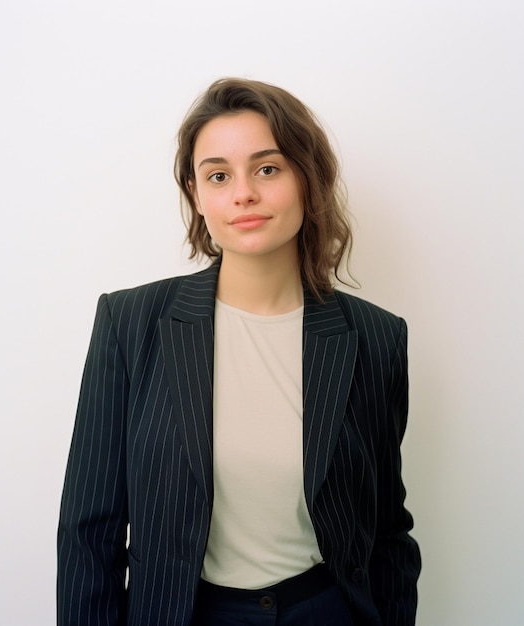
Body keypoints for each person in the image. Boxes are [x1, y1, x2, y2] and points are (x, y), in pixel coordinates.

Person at [57, 77, 421, 626]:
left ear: (307, 178)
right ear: (196, 193)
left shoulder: (376, 338)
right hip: (182, 613)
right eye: (219, 175)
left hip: (324, 610)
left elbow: (387, 529)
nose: (243, 193)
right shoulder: (130, 324)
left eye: (268, 169)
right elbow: (89, 529)